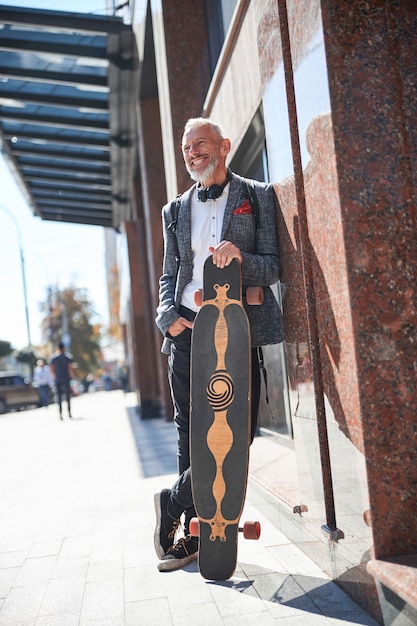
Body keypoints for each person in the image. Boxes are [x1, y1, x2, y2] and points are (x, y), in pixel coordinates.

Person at [154, 117, 284, 572]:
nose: (193, 153)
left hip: (237, 332)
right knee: (192, 437)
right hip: (189, 333)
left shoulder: (257, 196)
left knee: (241, 436)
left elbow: (271, 265)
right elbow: (170, 275)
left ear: (225, 146)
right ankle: (193, 537)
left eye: (202, 144)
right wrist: (167, 319)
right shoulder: (175, 210)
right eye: (187, 147)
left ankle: (171, 502)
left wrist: (240, 258)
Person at [50, 342, 76, 420]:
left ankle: (60, 414)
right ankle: (69, 413)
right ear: (64, 348)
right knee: (67, 396)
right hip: (66, 379)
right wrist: (73, 377)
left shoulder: (53, 358)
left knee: (59, 397)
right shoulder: (67, 357)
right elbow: (70, 368)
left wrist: (54, 377)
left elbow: (51, 370)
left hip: (58, 379)